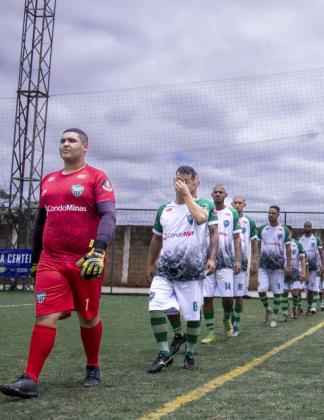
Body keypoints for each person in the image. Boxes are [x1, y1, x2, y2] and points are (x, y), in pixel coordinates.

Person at [1, 129, 116, 398]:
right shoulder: (49, 180)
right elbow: (42, 222)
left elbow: (109, 215)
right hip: (50, 261)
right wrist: (34, 259)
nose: (65, 144)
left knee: (88, 318)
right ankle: (29, 378)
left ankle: (93, 366)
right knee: (45, 316)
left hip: (85, 260)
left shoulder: (97, 178)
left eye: (72, 140)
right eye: (62, 140)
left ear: (85, 147)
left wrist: (99, 249)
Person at [143, 166, 216, 373]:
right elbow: (157, 238)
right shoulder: (163, 209)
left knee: (193, 317)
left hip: (192, 274)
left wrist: (186, 196)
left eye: (185, 180)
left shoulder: (204, 205)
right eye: (177, 180)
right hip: (165, 271)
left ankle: (190, 352)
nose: (180, 184)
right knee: (155, 306)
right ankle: (165, 353)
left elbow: (201, 219)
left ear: (195, 183)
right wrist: (150, 263)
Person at [200, 185, 242, 344]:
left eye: (220, 192)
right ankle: (210, 332)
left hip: (226, 262)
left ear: (226, 195)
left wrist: (238, 260)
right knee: (207, 297)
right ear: (212, 194)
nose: (217, 194)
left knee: (227, 298)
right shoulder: (205, 210)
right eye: (215, 192)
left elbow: (237, 238)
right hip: (207, 262)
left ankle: (226, 319)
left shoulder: (232, 213)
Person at [255, 206, 292, 328]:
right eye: (269, 213)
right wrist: (255, 261)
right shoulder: (262, 229)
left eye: (273, 213)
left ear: (278, 215)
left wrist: (288, 265)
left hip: (278, 267)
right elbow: (258, 246)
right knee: (261, 290)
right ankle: (267, 309)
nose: (270, 215)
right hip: (263, 266)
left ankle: (275, 318)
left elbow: (288, 248)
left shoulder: (284, 230)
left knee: (277, 293)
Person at [231, 195, 258, 335]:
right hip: (225, 262)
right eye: (235, 202)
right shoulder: (226, 217)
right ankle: (229, 320)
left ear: (244, 205)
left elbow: (254, 243)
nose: (237, 205)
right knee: (227, 296)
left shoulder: (249, 221)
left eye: (239, 203)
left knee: (238, 295)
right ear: (231, 203)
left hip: (242, 263)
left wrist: (254, 261)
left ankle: (236, 324)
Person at [299, 221, 324, 314]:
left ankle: (310, 307)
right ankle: (298, 306)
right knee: (299, 287)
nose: (306, 228)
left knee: (310, 289)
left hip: (313, 268)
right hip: (302, 268)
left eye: (308, 226)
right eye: (305, 226)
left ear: (311, 227)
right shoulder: (300, 239)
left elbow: (321, 253)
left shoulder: (316, 239)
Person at [286, 226, 308, 319]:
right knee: (283, 293)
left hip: (295, 272)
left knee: (295, 293)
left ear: (292, 232)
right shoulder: (280, 243)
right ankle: (285, 312)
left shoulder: (297, 244)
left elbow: (303, 259)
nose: (288, 234)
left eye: (289, 232)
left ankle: (296, 308)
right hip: (283, 272)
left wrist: (303, 272)